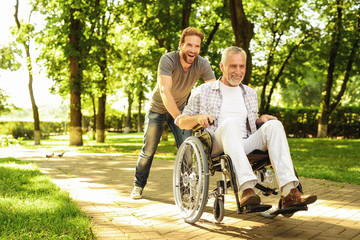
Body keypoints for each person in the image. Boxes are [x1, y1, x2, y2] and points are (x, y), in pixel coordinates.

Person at [178, 46, 317, 209]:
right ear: (222, 67)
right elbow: (181, 121)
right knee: (231, 123)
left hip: (244, 143)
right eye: (232, 66)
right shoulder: (203, 90)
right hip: (217, 143)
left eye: (241, 66)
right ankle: (247, 189)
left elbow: (251, 123)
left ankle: (289, 192)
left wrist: (260, 120)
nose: (238, 71)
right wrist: (198, 118)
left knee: (274, 125)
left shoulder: (250, 93)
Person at [131, 27, 216, 199]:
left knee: (186, 150)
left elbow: (214, 90)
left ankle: (186, 191)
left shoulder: (202, 64)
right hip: (157, 109)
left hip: (182, 108)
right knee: (148, 150)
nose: (193, 50)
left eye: (197, 46)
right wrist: (180, 118)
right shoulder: (168, 59)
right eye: (189, 45)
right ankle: (138, 186)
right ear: (181, 45)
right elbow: (165, 90)